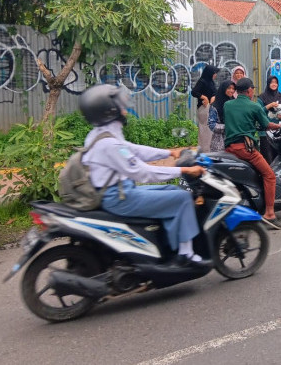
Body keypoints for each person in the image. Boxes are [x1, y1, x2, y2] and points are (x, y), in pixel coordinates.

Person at [79, 84, 209, 268]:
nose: (125, 110)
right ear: (109, 111)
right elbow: (142, 172)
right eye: (120, 107)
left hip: (119, 191)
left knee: (173, 189)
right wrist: (184, 170)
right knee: (182, 197)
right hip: (120, 197)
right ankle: (185, 254)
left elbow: (133, 150)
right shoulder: (109, 143)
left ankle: (168, 245)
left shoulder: (99, 134)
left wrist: (169, 153)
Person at [223, 78, 281, 229]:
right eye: (252, 89)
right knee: (269, 175)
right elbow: (266, 125)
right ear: (249, 91)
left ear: (237, 91)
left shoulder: (227, 105)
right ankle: (270, 213)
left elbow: (238, 122)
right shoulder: (254, 106)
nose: (253, 92)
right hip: (246, 150)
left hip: (229, 149)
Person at [257, 75, 281, 163]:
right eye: (272, 82)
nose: (274, 84)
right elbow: (258, 113)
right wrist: (269, 106)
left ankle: (277, 176)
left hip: (279, 130)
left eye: (275, 82)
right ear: (268, 84)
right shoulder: (262, 97)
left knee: (278, 157)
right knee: (267, 157)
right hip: (266, 131)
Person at [191, 64, 219, 153]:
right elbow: (194, 92)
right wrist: (204, 97)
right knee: (204, 130)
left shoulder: (211, 82)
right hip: (204, 108)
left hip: (210, 108)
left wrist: (213, 97)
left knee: (209, 130)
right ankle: (204, 150)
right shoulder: (202, 81)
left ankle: (208, 149)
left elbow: (214, 92)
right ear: (209, 73)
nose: (216, 75)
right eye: (214, 73)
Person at [208, 80, 235, 152]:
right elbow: (211, 125)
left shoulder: (234, 103)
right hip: (219, 142)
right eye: (229, 88)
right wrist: (227, 127)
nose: (231, 90)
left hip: (233, 140)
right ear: (223, 89)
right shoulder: (215, 106)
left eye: (233, 89)